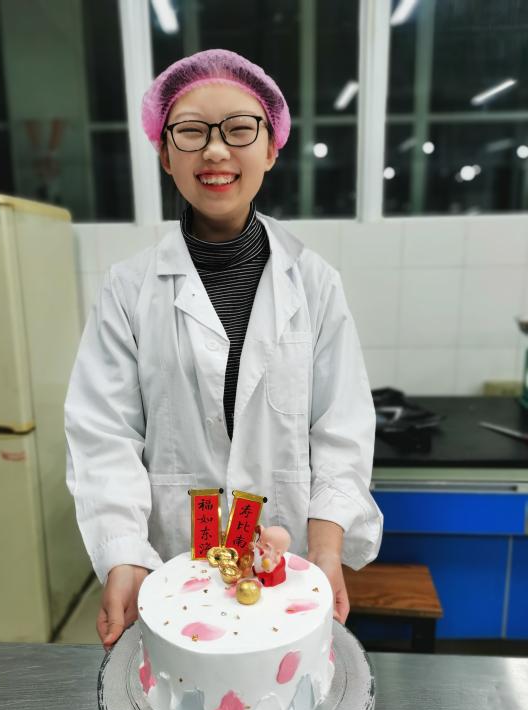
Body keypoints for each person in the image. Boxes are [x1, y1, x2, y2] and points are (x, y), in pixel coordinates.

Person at [64, 49, 383, 651]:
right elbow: (104, 435)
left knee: (277, 692)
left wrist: (326, 550)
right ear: (165, 153)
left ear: (271, 147)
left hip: (286, 575)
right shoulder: (128, 289)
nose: (214, 151)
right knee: (179, 692)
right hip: (169, 571)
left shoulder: (314, 283)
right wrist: (123, 553)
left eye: (239, 129)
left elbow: (341, 428)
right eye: (191, 131)